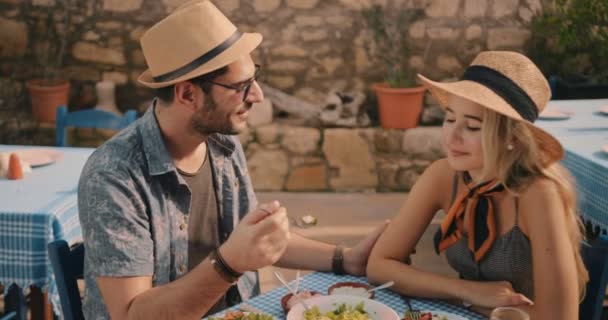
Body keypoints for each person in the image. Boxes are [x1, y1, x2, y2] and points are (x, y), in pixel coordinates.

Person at [77, 1, 387, 319]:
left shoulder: (222, 143)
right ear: (187, 94)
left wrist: (347, 258)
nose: (257, 95)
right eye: (240, 87)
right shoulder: (114, 175)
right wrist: (228, 265)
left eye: (254, 79)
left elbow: (253, 242)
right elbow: (132, 315)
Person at [366, 51, 588, 319]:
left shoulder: (537, 194)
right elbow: (380, 266)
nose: (452, 136)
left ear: (512, 138)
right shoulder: (443, 176)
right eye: (450, 119)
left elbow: (560, 317)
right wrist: (469, 292)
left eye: (472, 127)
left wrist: (472, 302)